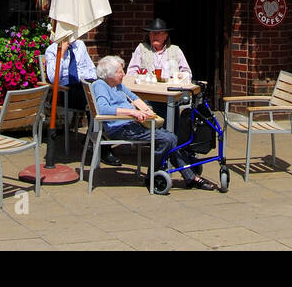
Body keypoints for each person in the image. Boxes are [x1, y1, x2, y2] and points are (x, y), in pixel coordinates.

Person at [90, 55, 215, 191]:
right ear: (109, 74)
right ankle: (157, 175)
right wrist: (133, 113)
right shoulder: (100, 85)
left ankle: (188, 177)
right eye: (120, 72)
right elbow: (103, 108)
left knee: (170, 137)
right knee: (168, 139)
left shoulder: (117, 85)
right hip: (120, 128)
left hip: (132, 124)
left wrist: (146, 110)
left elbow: (134, 98)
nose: (124, 74)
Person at [44, 38, 120, 165]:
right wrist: (61, 54)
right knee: (94, 104)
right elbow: (53, 78)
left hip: (86, 85)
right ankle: (104, 149)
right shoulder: (52, 50)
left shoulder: (80, 45)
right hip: (68, 91)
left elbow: (91, 68)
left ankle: (99, 137)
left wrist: (95, 83)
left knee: (105, 97)